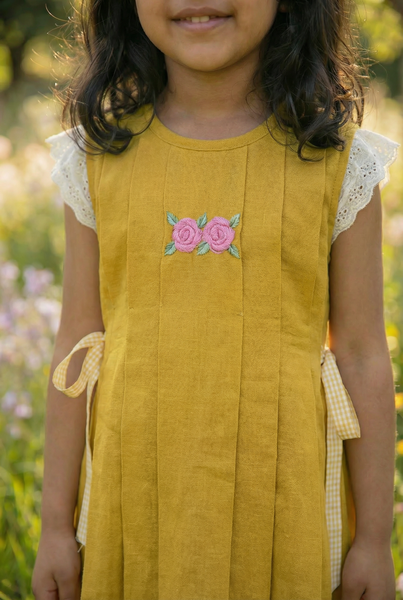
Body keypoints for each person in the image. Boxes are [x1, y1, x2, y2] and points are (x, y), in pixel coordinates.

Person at [32, 0, 399, 598]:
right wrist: (54, 527)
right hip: (133, 503)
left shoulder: (340, 160)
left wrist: (374, 541)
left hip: (282, 506)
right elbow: (77, 347)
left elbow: (361, 355)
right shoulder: (97, 156)